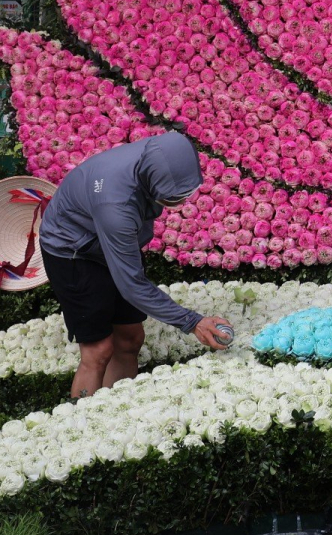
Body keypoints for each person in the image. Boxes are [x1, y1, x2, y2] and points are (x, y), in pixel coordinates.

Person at [37, 132, 231, 397]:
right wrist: (192, 322)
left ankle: (117, 409)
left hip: (107, 240)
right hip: (73, 253)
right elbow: (131, 285)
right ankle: (81, 424)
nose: (184, 202)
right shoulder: (116, 208)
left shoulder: (161, 151)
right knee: (98, 350)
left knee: (129, 338)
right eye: (176, 197)